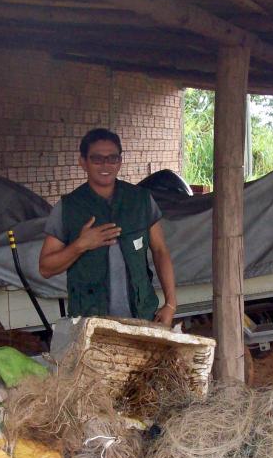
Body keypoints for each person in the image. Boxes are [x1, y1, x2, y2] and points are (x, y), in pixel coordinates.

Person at [38, 128, 177, 326]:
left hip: (142, 315)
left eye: (112, 158)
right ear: (83, 162)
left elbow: (160, 251)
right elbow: (45, 268)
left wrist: (171, 304)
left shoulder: (141, 200)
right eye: (97, 159)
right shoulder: (67, 207)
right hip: (91, 322)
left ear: (120, 161)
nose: (105, 165)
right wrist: (81, 245)